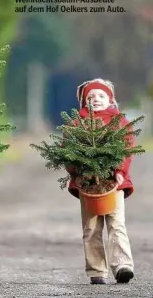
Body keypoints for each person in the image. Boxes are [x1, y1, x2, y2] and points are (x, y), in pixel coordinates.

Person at [66, 78, 135, 285]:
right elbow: (68, 152)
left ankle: (123, 265)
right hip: (88, 184)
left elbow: (127, 148)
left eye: (101, 96)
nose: (96, 99)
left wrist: (120, 170)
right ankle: (96, 270)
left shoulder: (119, 122)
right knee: (91, 227)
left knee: (116, 224)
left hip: (114, 182)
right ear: (84, 101)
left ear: (110, 99)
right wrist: (78, 172)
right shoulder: (77, 124)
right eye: (91, 97)